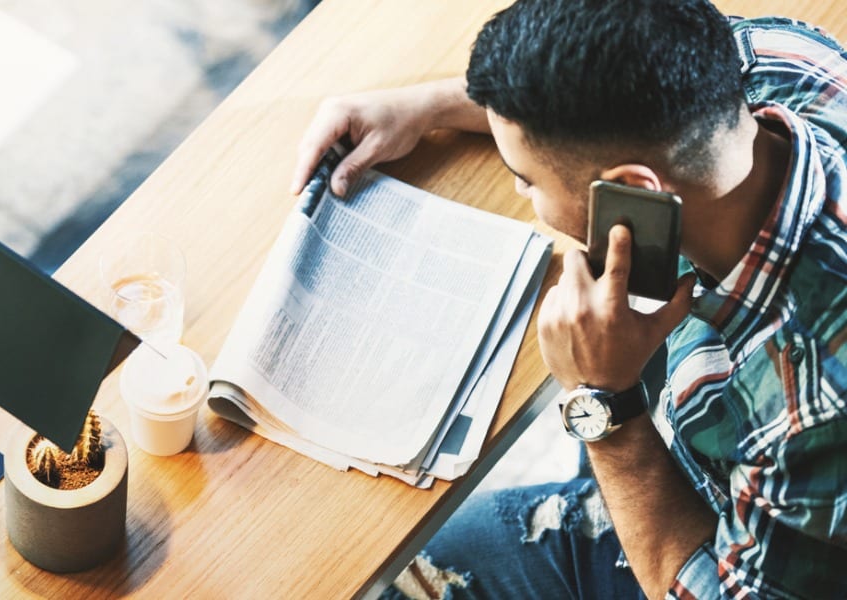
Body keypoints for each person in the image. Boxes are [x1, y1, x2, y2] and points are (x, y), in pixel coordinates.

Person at [292, 1, 847, 598]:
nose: (515, 185)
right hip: (714, 420)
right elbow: (610, 83)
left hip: (732, 533)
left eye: (525, 177)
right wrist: (424, 106)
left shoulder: (810, 414)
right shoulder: (788, 64)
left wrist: (607, 406)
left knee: (426, 564)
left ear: (632, 190)